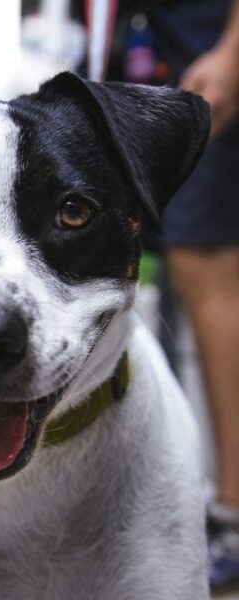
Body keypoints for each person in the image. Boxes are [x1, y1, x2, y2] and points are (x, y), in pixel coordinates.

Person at [138, 0, 239, 591]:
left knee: (205, 262)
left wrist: (232, 52)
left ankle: (233, 512)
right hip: (159, 54)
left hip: (207, 58)